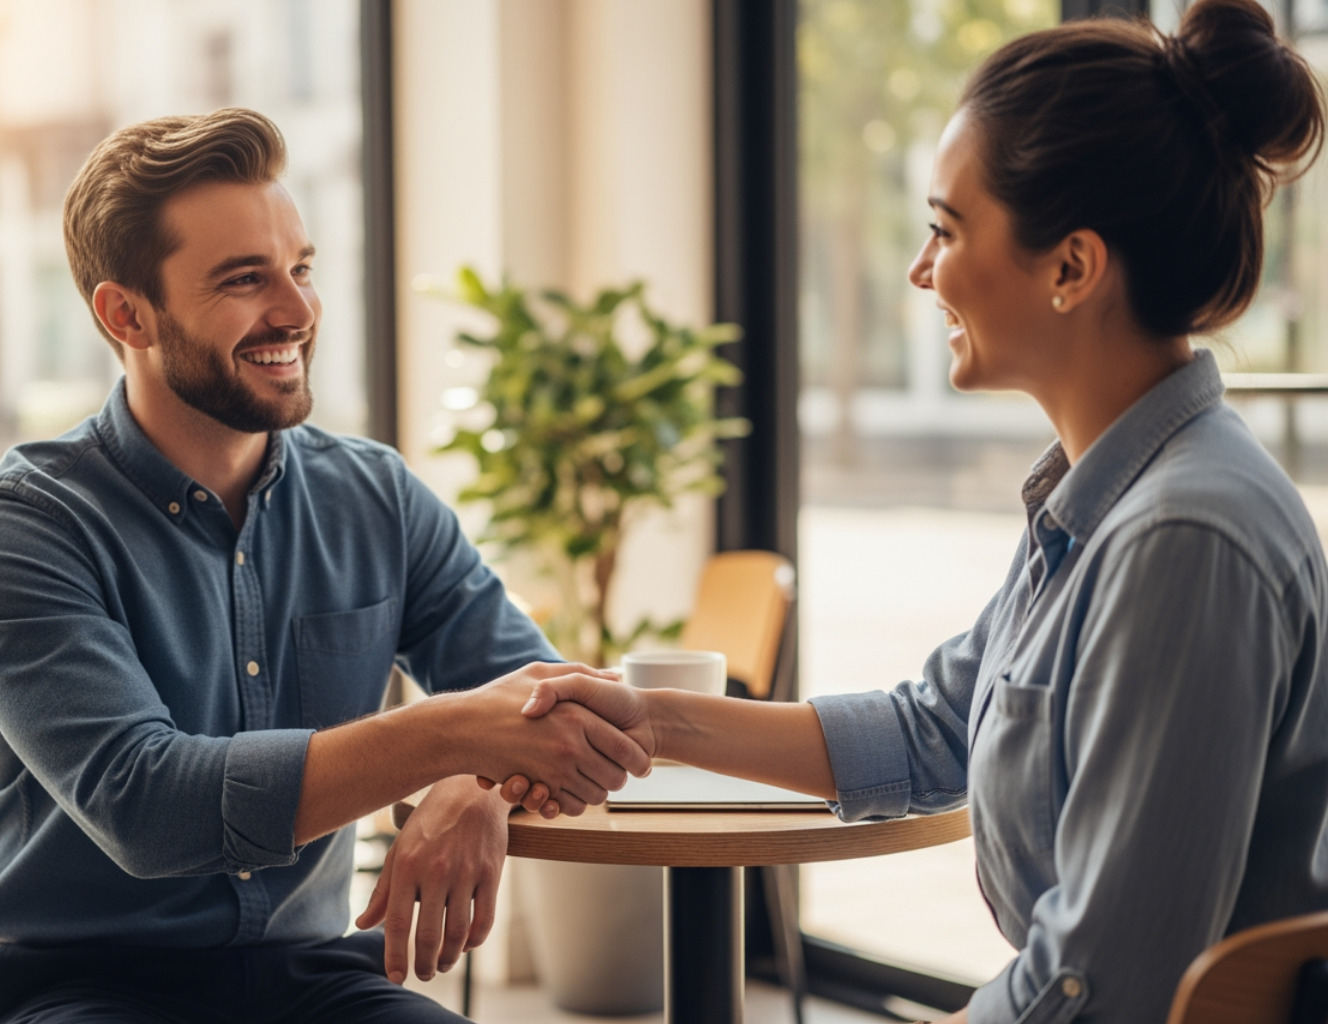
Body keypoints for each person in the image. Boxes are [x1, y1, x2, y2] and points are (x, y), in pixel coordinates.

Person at [499, 2, 1328, 1021]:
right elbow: (933, 728)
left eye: (946, 228)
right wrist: (652, 718)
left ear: (1071, 267)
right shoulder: (1105, 501)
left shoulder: (1183, 539)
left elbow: (1103, 979)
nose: (920, 269)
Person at [0, 107, 650, 1024]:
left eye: (302, 269)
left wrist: (475, 781)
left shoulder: (377, 497)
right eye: (245, 280)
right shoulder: (22, 526)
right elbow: (152, 809)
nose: (300, 311)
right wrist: (452, 737)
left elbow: (542, 701)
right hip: (82, 985)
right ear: (126, 313)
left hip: (314, 979)